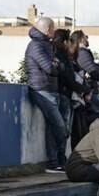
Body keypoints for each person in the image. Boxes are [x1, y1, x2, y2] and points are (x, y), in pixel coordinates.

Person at [23, 17, 72, 174]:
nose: (54, 32)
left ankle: (55, 162)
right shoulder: (36, 46)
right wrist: (56, 65)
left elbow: (56, 66)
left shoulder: (45, 45)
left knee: (53, 127)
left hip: (50, 90)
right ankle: (56, 161)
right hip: (41, 90)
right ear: (46, 29)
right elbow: (51, 69)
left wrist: (56, 65)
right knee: (59, 127)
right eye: (52, 29)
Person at [53, 29, 90, 145]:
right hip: (68, 96)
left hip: (73, 97)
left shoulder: (64, 58)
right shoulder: (62, 58)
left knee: (72, 131)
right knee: (65, 130)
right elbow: (69, 80)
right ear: (65, 42)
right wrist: (85, 90)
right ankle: (61, 159)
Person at [71, 30, 99, 120]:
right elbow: (93, 70)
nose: (87, 38)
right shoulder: (82, 52)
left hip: (89, 91)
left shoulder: (82, 52)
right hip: (89, 92)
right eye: (85, 36)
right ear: (81, 39)